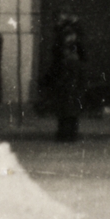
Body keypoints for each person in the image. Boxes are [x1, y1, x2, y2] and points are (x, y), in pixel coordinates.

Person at [48, 13, 86, 143]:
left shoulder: (67, 37)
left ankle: (65, 134)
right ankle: (69, 134)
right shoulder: (72, 36)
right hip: (70, 79)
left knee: (66, 109)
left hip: (67, 78)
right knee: (69, 110)